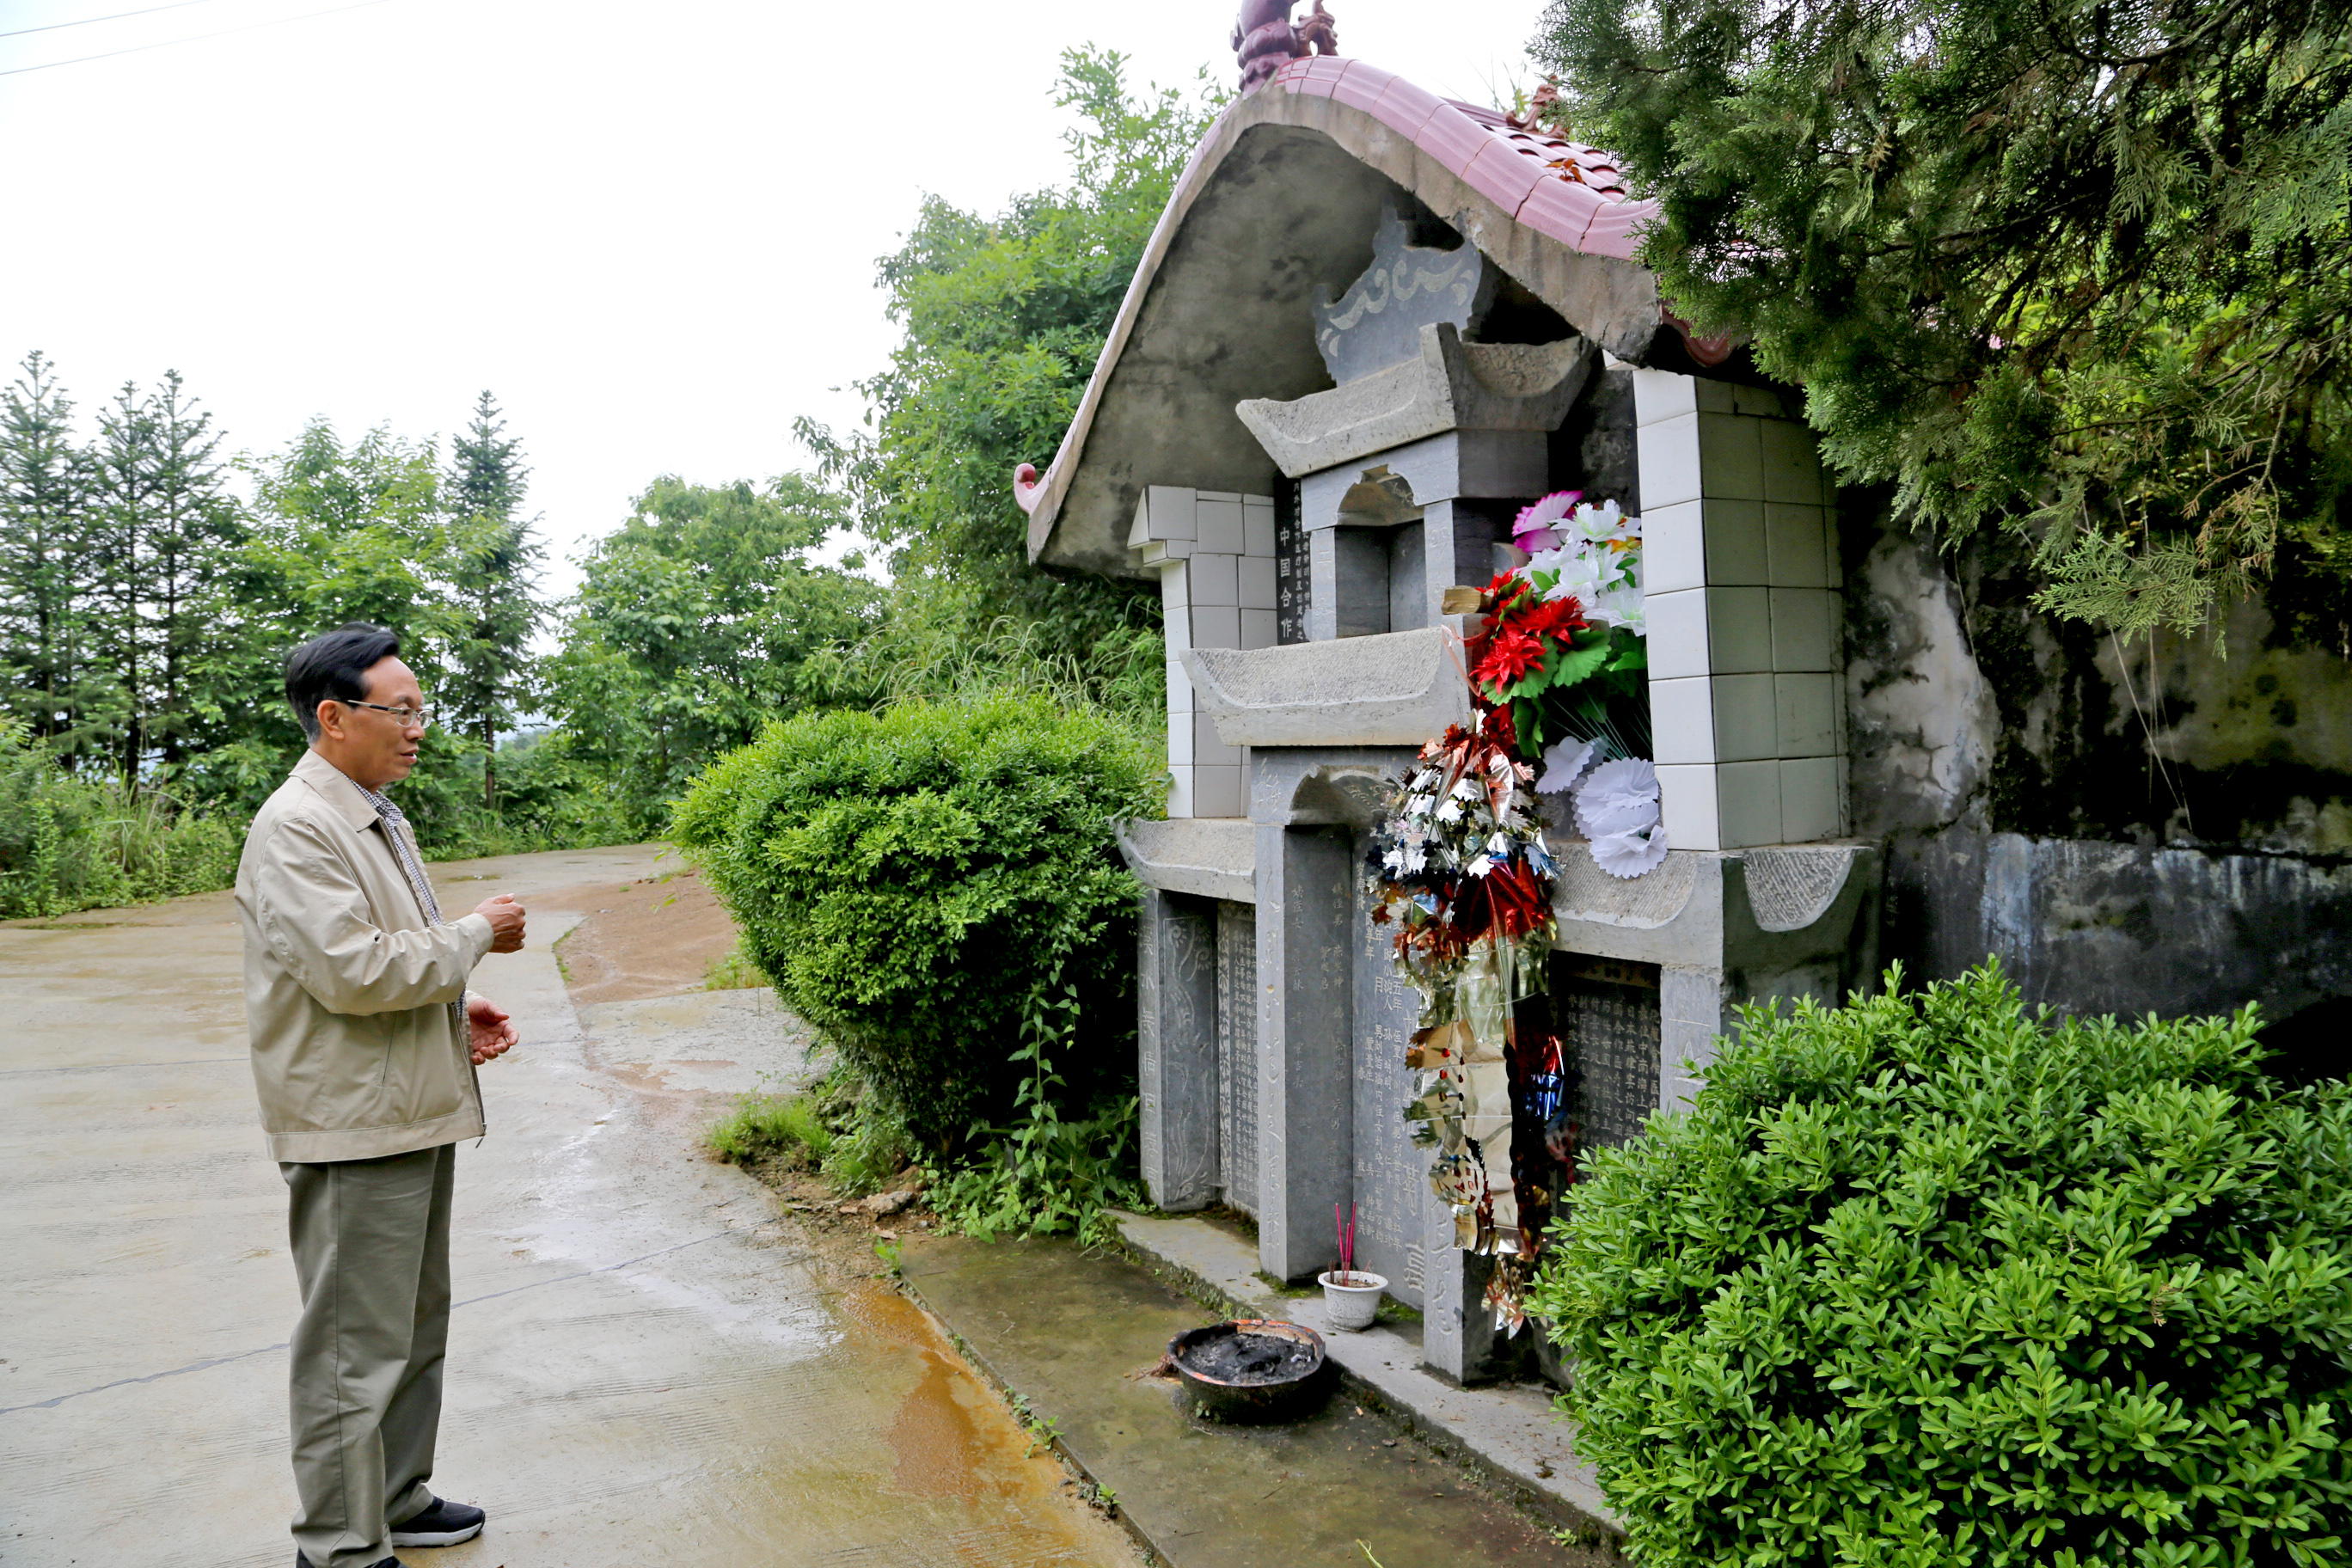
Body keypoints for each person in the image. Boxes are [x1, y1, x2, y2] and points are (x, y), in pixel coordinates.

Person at [236, 623, 528, 1568]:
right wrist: (476, 935)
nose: (417, 729)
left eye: (419, 709)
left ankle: (397, 1498)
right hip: (351, 1127)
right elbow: (356, 973)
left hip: (401, 1110)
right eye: (398, 711)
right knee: (347, 1355)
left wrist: (455, 998)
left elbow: (385, 951)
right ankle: (338, 1546)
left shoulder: (369, 808)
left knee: (409, 1327)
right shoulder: (297, 827)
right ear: (333, 717)